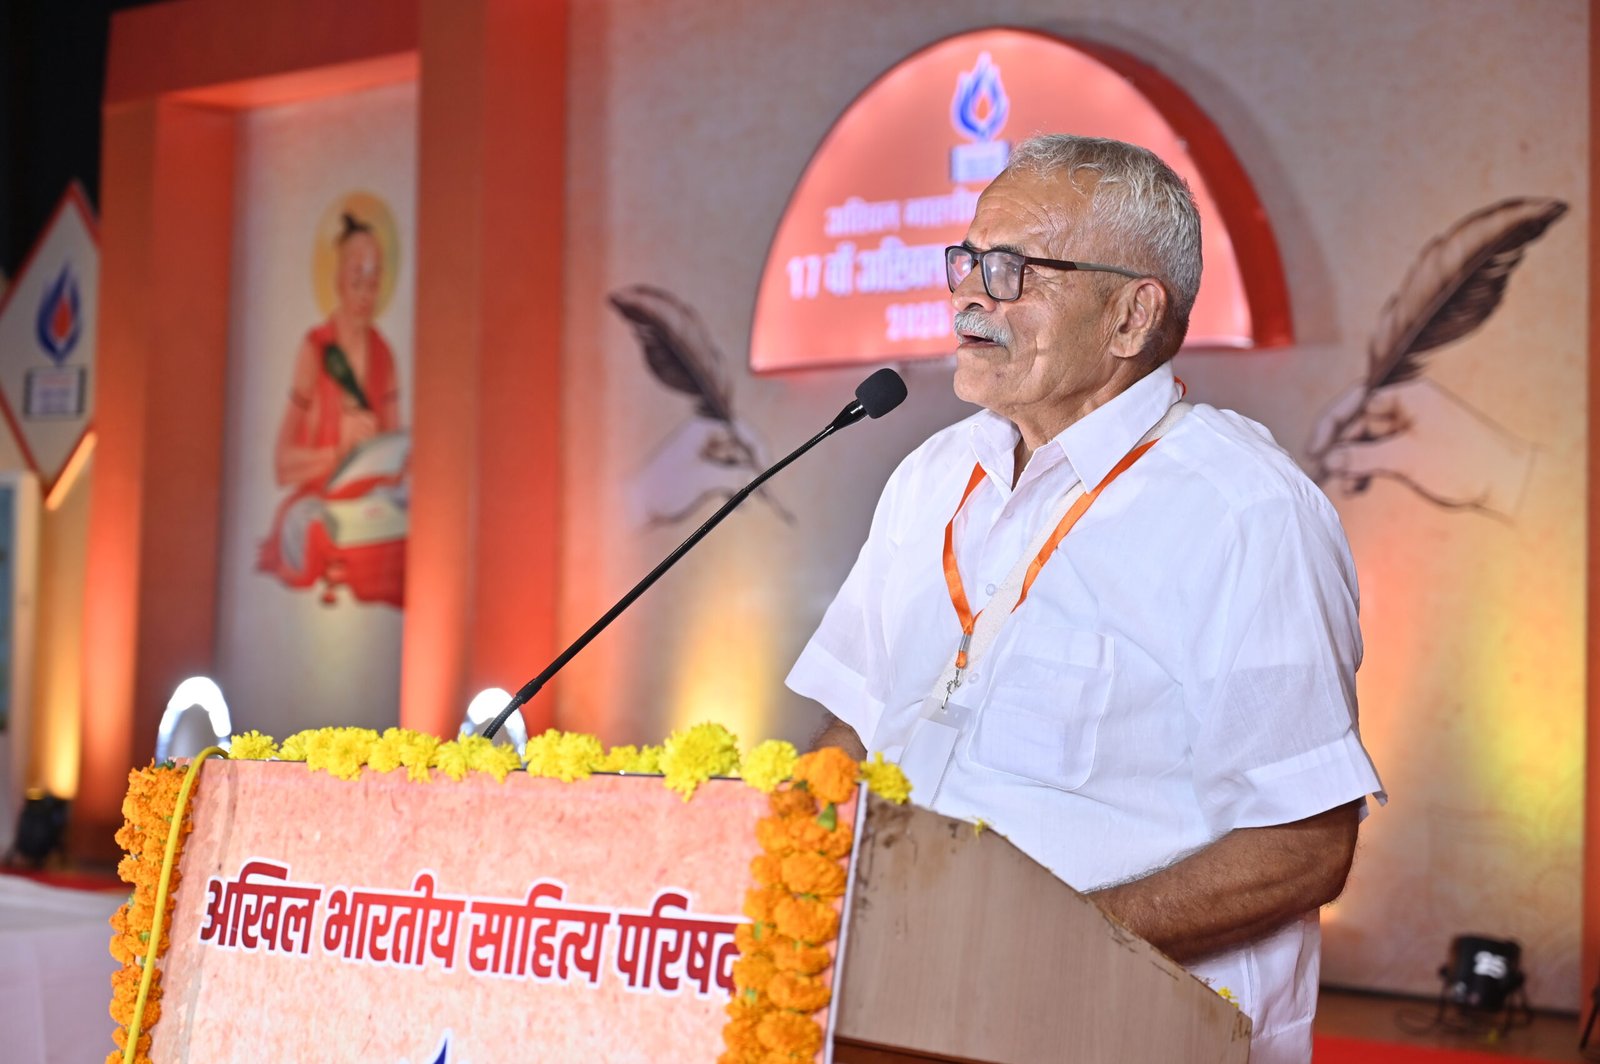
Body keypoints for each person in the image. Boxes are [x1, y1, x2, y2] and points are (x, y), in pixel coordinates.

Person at [786, 135, 1384, 1064]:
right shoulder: (931, 476)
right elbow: (854, 729)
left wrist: (1038, 951)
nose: (971, 294)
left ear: (1131, 316)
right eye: (966, 260)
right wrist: (790, 879)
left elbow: (1302, 848)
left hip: (1118, 1033)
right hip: (891, 1013)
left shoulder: (1244, 512)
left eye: (1015, 268)